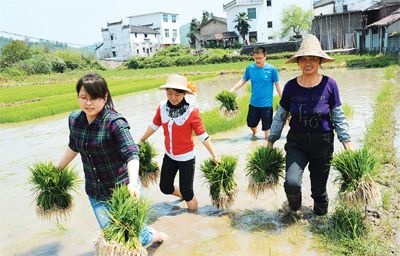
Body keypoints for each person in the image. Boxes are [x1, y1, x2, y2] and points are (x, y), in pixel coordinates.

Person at [56, 72, 167, 246]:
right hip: (95, 191)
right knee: (113, 237)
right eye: (83, 97)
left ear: (105, 96)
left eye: (93, 98)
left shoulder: (115, 122)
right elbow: (73, 146)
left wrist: (132, 183)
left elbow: (131, 153)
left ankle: (158, 237)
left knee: (138, 237)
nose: (88, 103)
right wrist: (57, 169)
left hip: (123, 188)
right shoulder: (74, 120)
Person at [267, 34, 353, 216]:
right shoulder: (290, 86)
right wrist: (271, 141)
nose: (308, 63)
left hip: (322, 143)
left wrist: (348, 146)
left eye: (313, 58)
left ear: (320, 60)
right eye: (304, 59)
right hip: (296, 142)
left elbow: (338, 116)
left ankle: (320, 223)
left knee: (318, 191)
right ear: (298, 61)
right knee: (291, 183)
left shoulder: (330, 84)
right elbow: (280, 116)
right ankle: (295, 210)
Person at [140, 74, 220, 212]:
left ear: (184, 94)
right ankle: (182, 195)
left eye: (177, 94)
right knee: (165, 187)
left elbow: (202, 135)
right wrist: (141, 140)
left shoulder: (192, 112)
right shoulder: (162, 108)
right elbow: (154, 125)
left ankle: (193, 219)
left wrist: (215, 155)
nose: (173, 97)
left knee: (188, 192)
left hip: (186, 158)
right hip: (169, 156)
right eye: (169, 93)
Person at [230, 46, 282, 139]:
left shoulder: (272, 69)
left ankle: (267, 148)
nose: (258, 60)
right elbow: (243, 80)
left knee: (267, 131)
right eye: (256, 58)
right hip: (254, 103)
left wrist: (283, 99)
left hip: (267, 105)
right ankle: (255, 133)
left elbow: (277, 85)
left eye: (260, 58)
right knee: (251, 124)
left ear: (265, 57)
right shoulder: (250, 68)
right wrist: (232, 89)